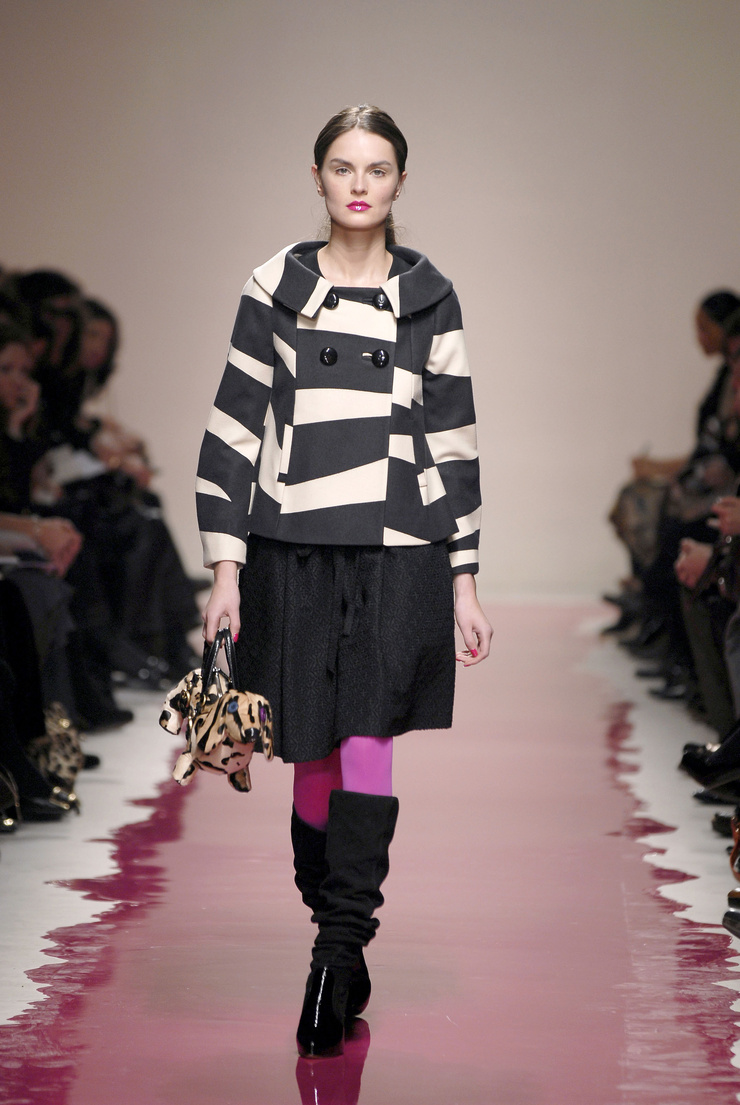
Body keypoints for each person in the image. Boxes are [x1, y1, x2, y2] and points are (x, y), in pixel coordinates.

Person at [198, 105, 492, 1058]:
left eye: (377, 168)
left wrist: (465, 578)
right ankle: (338, 928)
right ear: (317, 176)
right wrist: (225, 569)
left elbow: (454, 441)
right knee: (308, 754)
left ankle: (334, 955)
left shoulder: (429, 295)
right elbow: (233, 428)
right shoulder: (275, 287)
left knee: (368, 735)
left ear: (401, 181)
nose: (359, 184)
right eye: (341, 166)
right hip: (292, 546)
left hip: (400, 548)